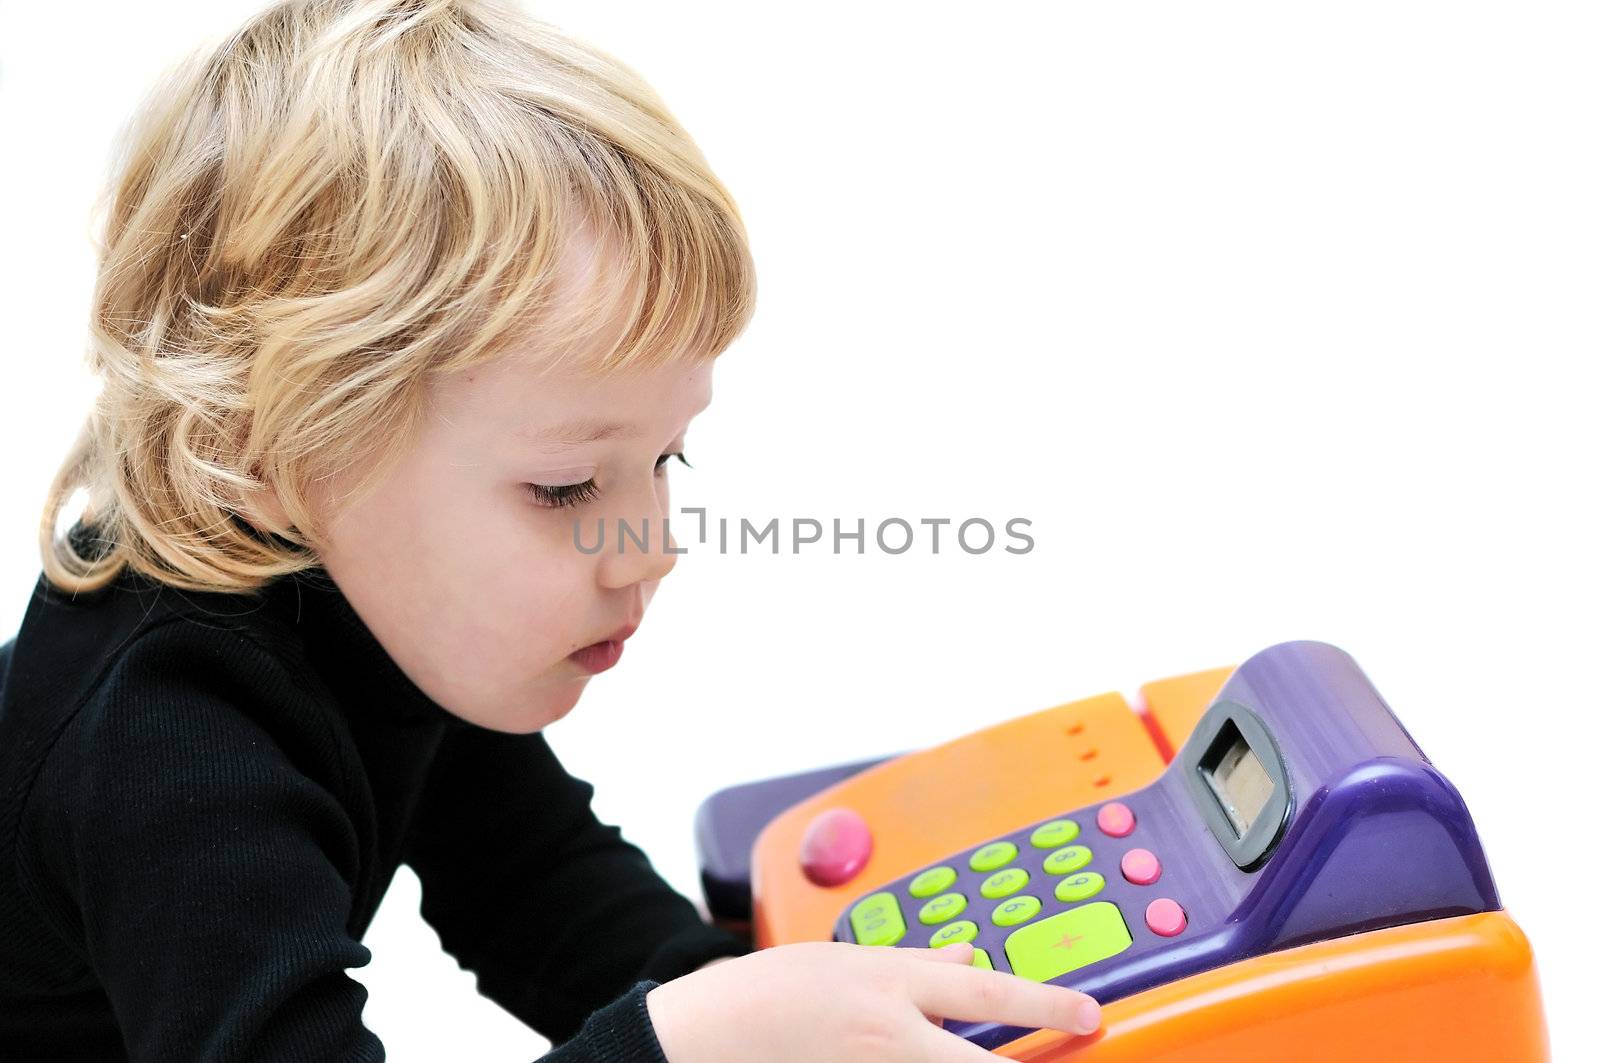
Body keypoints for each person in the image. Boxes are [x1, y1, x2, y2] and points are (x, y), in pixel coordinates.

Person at [0, 1, 1104, 1059]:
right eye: (568, 486)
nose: (653, 544)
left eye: (667, 458)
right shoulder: (166, 749)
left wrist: (765, 1006)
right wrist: (687, 1045)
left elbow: (533, 880)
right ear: (263, 451)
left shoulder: (365, 588)